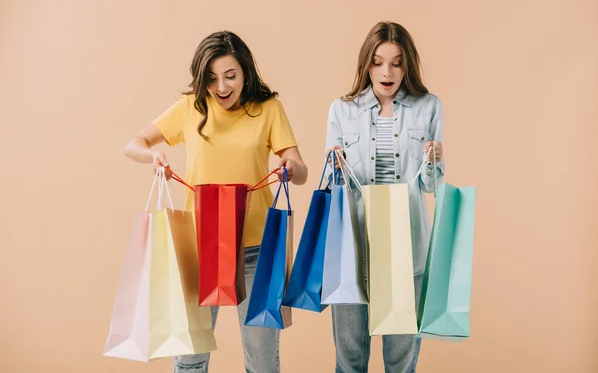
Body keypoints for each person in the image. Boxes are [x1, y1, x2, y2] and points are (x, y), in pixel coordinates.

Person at [125, 30, 308, 373]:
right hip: (199, 247)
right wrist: (153, 156)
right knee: (190, 356)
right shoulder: (190, 109)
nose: (221, 87)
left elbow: (301, 171)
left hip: (256, 248)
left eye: (230, 76)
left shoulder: (268, 110)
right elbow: (133, 144)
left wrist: (290, 166)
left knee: (263, 358)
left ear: (245, 73)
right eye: (211, 78)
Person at [324, 21, 444, 373]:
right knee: (349, 361)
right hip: (354, 250)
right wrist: (335, 165)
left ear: (408, 66)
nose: (387, 72)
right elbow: (335, 188)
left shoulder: (429, 107)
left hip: (407, 249)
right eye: (378, 62)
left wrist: (436, 160)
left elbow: (431, 187)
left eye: (397, 62)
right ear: (366, 64)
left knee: (401, 363)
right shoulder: (341, 110)